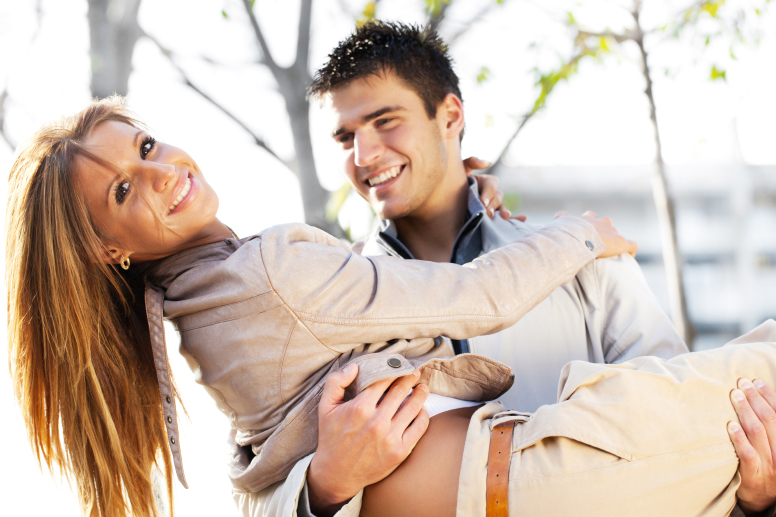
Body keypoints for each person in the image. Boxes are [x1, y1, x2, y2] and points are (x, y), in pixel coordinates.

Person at [6, 101, 774, 517]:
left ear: (453, 119)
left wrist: (752, 493)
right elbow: (481, 294)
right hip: (538, 474)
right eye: (120, 190)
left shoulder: (200, 310)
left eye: (145, 146)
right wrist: (585, 232)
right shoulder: (272, 274)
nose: (160, 172)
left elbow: (671, 377)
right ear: (110, 250)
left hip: (558, 465)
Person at [289, 21, 776, 517]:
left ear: (450, 114)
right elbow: (259, 486)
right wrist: (323, 488)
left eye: (385, 121)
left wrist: (755, 500)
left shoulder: (590, 262)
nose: (364, 155)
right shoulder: (328, 303)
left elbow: (679, 439)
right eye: (345, 137)